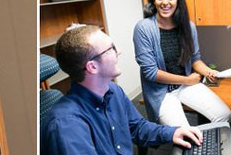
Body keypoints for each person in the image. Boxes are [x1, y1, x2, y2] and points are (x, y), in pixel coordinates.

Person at [41, 25, 203, 154]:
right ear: (92, 66)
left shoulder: (113, 91)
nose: (119, 52)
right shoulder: (66, 125)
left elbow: (137, 127)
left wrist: (172, 133)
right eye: (111, 48)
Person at [133, 0, 231, 127]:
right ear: (153, 1)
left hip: (186, 85)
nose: (165, 2)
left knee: (225, 116)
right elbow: (151, 73)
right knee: (185, 135)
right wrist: (187, 80)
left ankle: (213, 147)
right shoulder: (143, 28)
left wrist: (208, 72)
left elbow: (195, 59)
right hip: (162, 92)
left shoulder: (188, 26)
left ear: (177, 0)